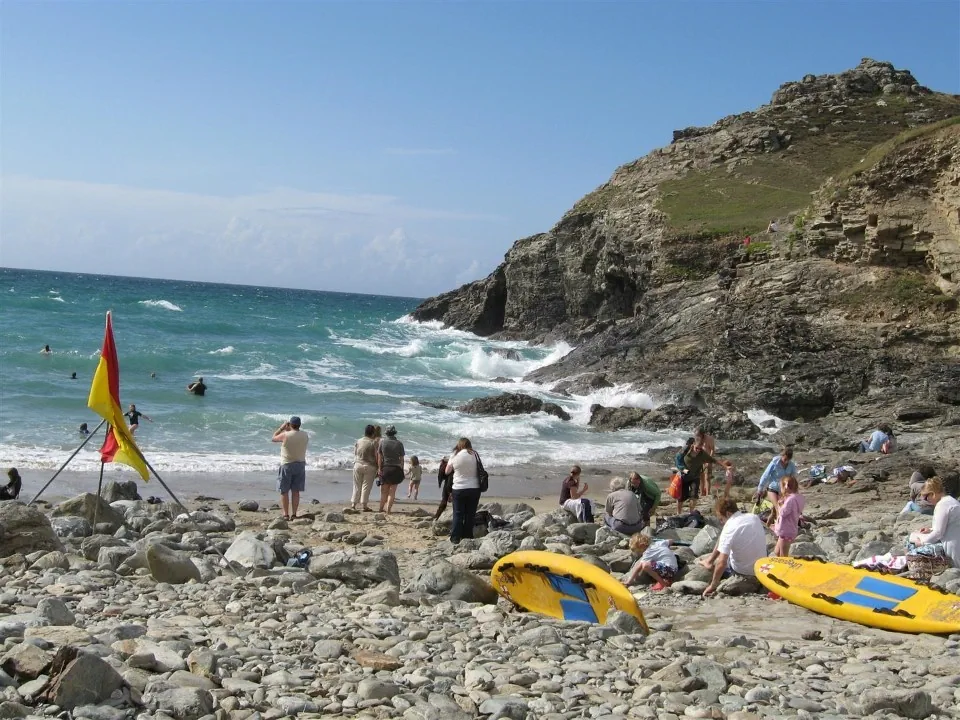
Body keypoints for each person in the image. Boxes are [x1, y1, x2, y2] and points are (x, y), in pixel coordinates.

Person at [701, 497, 768, 598]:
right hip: (761, 568)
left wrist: (713, 585)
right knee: (726, 537)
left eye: (721, 519)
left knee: (726, 542)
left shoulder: (729, 527)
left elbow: (722, 563)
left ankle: (710, 562)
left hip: (743, 571)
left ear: (728, 514)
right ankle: (710, 560)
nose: (722, 522)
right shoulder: (753, 517)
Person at [908, 477, 960, 569]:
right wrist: (930, 529)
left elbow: (938, 533)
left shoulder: (942, 505)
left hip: (952, 551)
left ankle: (913, 567)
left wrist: (922, 542)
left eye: (925, 497)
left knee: (912, 539)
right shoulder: (953, 502)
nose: (925, 500)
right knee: (916, 536)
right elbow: (948, 526)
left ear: (933, 494)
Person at [444, 438, 481, 544]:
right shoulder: (475, 455)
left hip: (459, 488)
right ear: (469, 445)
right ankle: (467, 536)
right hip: (474, 488)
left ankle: (455, 538)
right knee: (470, 514)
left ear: (459, 445)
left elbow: (447, 471)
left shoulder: (455, 455)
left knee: (458, 513)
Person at [271, 416, 308, 520]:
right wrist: (289, 430)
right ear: (299, 425)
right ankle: (294, 514)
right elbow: (295, 437)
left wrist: (281, 428)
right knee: (296, 491)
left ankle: (286, 514)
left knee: (284, 490)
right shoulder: (305, 435)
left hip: (287, 464)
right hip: (300, 464)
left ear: (290, 424)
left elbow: (273, 438)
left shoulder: (285, 435)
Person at [681, 441, 730, 515]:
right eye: (696, 448)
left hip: (695, 477)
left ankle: (691, 513)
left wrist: (725, 466)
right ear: (693, 445)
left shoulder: (702, 454)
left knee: (694, 496)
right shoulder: (686, 450)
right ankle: (679, 512)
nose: (698, 450)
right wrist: (681, 468)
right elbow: (678, 459)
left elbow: (713, 460)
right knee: (681, 497)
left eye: (700, 449)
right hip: (684, 476)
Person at [756, 447, 796, 512]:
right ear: (782, 455)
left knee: (776, 512)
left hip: (784, 491)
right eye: (785, 459)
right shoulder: (774, 463)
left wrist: (794, 490)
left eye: (788, 460)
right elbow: (766, 475)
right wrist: (760, 489)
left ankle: (771, 521)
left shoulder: (791, 465)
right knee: (779, 508)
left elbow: (793, 478)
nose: (786, 462)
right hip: (773, 489)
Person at [773, 476, 804, 557]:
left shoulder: (791, 500)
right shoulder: (798, 497)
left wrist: (780, 505)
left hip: (786, 531)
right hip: (787, 529)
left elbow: (783, 513)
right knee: (777, 552)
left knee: (783, 555)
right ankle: (780, 565)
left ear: (785, 487)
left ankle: (784, 568)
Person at [376, 425, 405, 514]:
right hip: (396, 469)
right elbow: (402, 459)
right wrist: (401, 469)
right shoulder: (399, 443)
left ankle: (381, 509)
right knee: (392, 492)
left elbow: (380, 458)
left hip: (386, 468)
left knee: (384, 491)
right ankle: (388, 510)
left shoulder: (382, 443)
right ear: (394, 433)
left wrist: (379, 469)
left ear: (386, 433)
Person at [351, 424, 377, 512]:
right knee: (366, 486)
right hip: (369, 466)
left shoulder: (358, 441)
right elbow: (376, 456)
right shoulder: (373, 442)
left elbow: (355, 453)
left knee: (356, 485)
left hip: (358, 464)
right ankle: (364, 505)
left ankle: (353, 504)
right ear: (373, 433)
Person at [695, 427, 717, 498]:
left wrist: (709, 460)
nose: (697, 436)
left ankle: (707, 494)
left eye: (698, 435)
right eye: (696, 435)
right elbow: (696, 447)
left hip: (707, 459)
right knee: (700, 477)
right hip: (699, 460)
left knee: (707, 478)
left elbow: (712, 450)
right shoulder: (697, 438)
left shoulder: (709, 439)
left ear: (702, 434)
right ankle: (701, 493)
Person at [434, 456, 452, 520]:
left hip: (448, 483)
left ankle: (437, 516)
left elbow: (443, 475)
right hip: (456, 483)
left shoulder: (444, 465)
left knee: (444, 500)